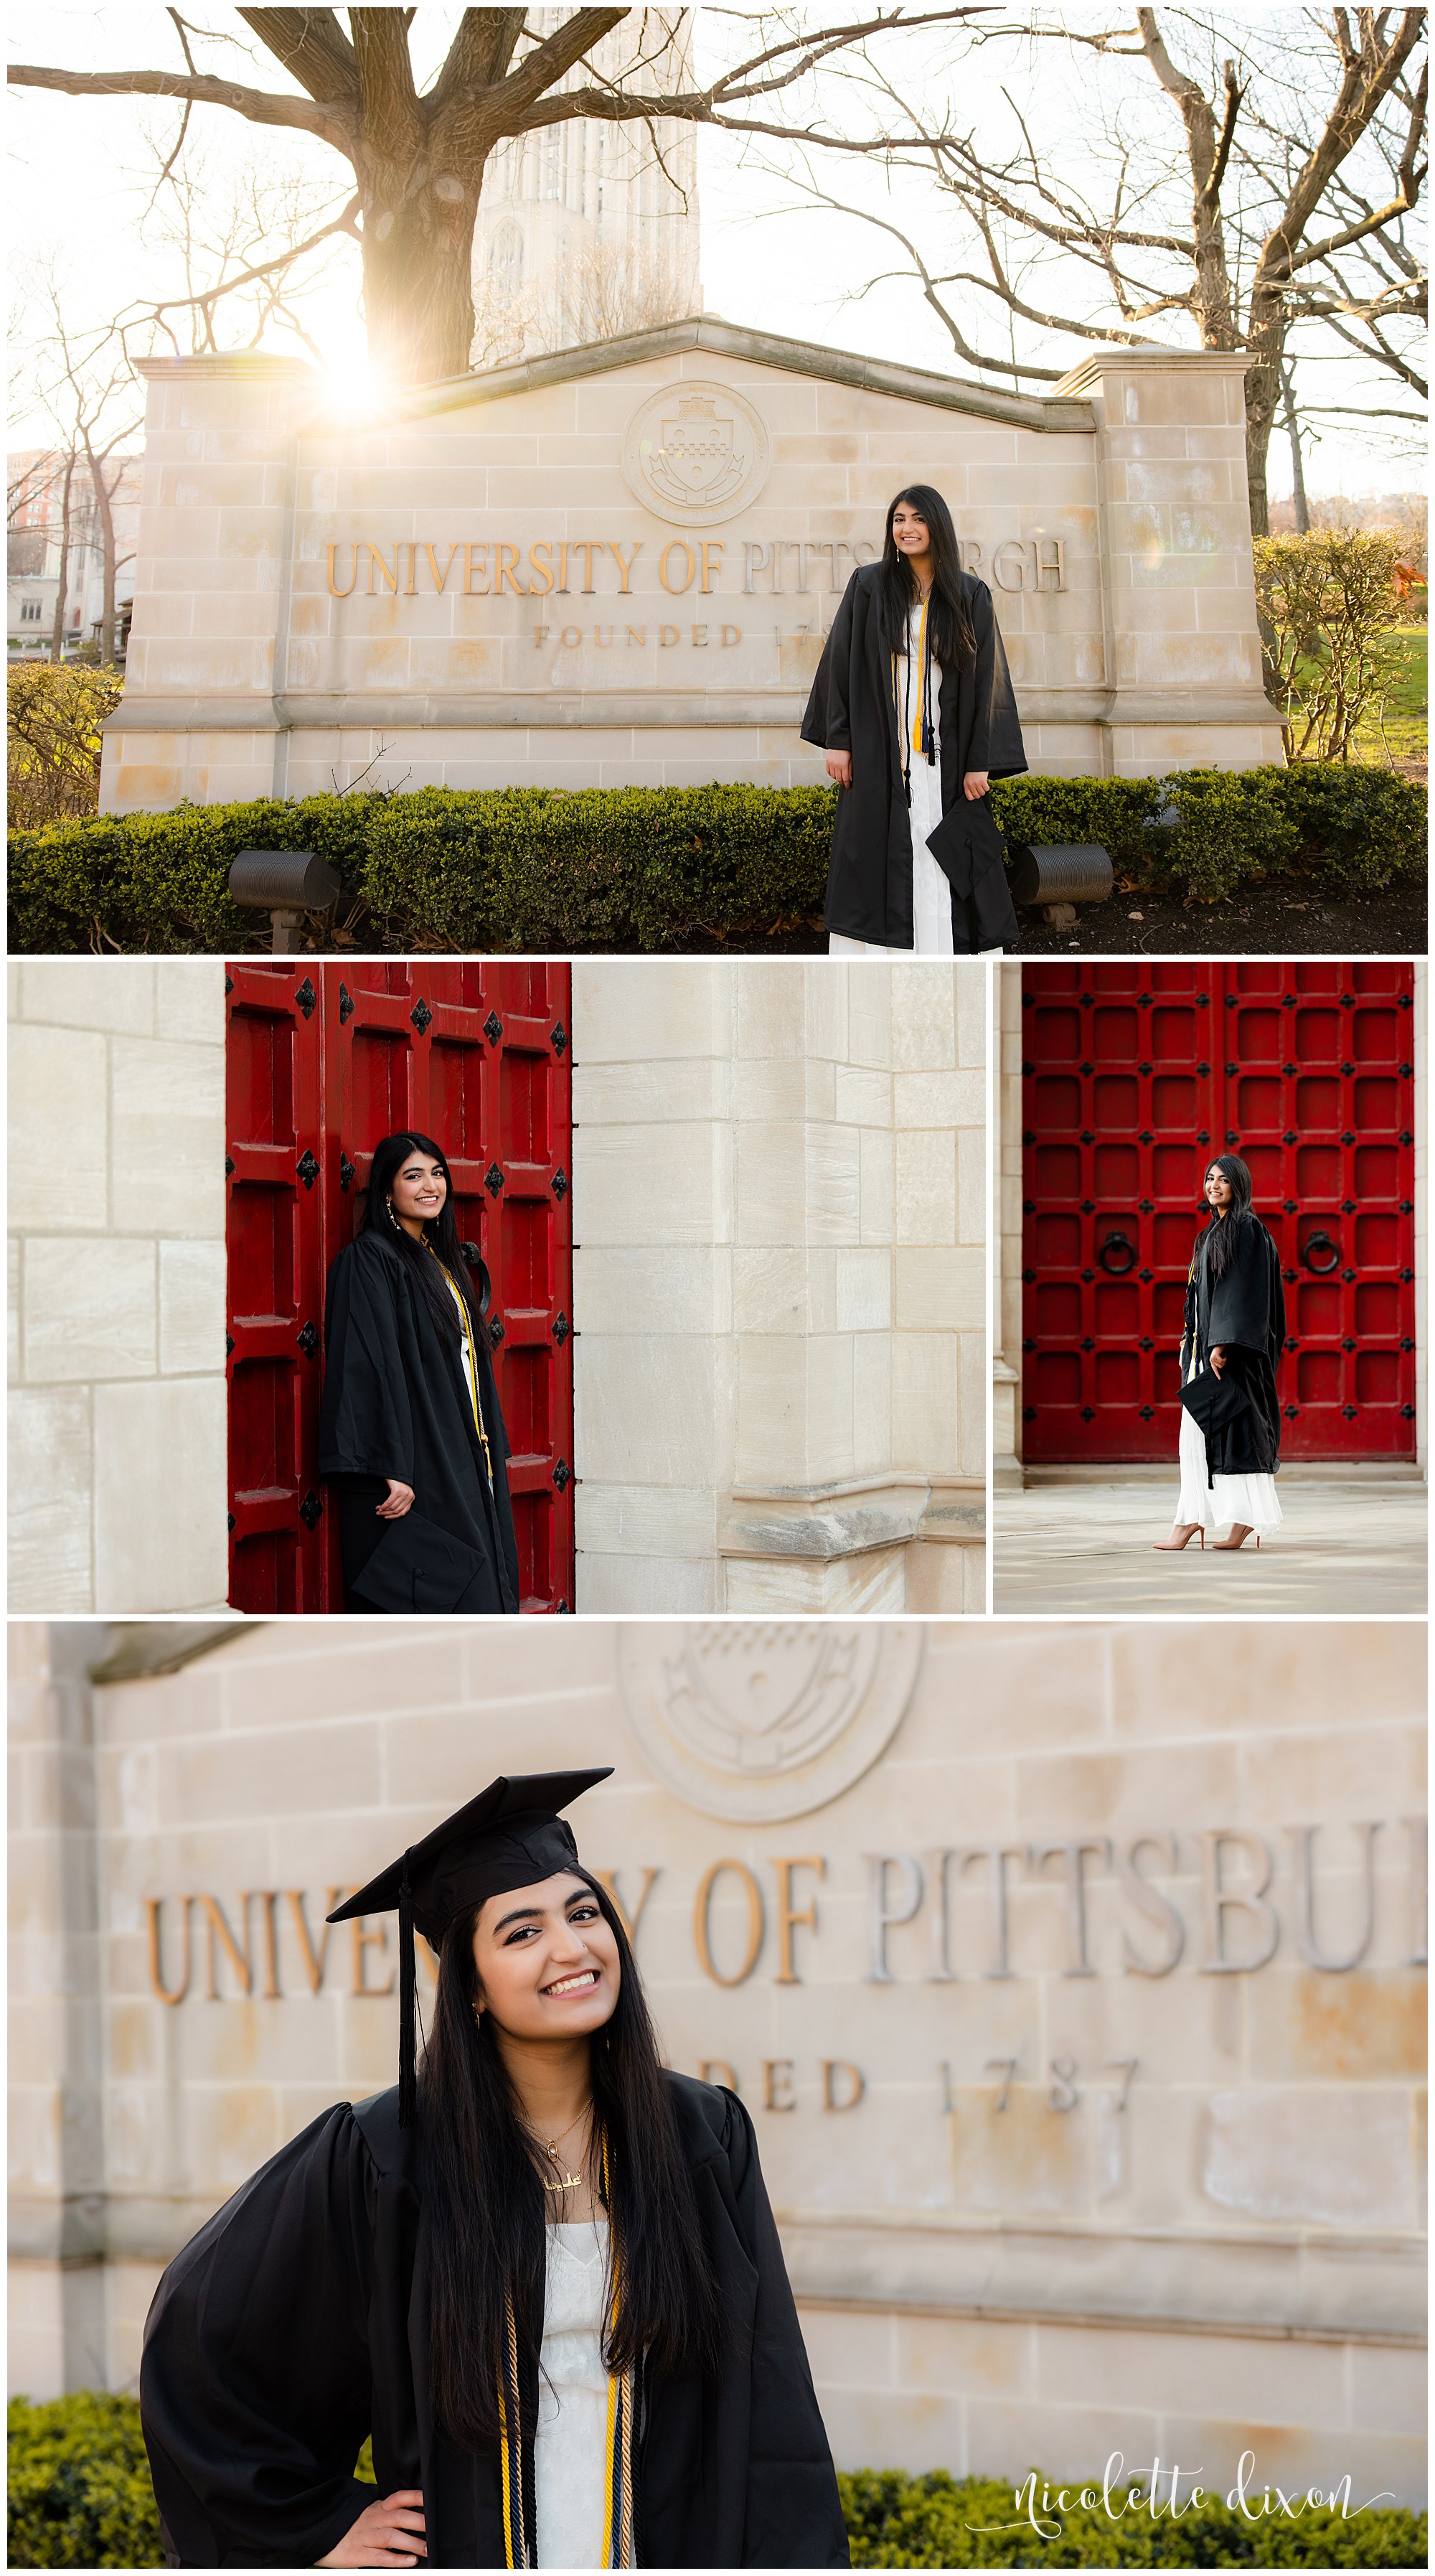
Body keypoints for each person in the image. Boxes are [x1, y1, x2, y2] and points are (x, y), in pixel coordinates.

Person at [138, 1770, 850, 2571]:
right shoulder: (386, 2155)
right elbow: (200, 2348)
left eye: (583, 1913)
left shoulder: (698, 2136)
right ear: (469, 1987)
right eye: (521, 1932)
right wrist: (317, 2526)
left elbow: (771, 2398)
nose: (570, 1947)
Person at [801, 484, 1027, 955]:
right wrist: (837, 740)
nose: (907, 528)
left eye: (918, 519)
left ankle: (942, 954)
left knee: (944, 852)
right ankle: (881, 959)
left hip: (944, 759)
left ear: (937, 526)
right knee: (874, 856)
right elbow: (839, 663)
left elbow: (989, 682)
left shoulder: (968, 594)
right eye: (899, 519)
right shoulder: (868, 587)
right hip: (879, 753)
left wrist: (979, 761)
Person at [318, 1131, 520, 1615]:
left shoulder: (438, 1260)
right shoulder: (371, 1260)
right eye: (413, 1175)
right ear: (387, 1191)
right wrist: (392, 1465)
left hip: (463, 1452)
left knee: (484, 1582)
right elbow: (368, 1363)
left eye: (437, 1173)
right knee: (447, 1594)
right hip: (419, 1461)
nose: (430, 1185)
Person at [1154, 1155, 1286, 1554]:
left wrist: (1222, 1342)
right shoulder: (1214, 1230)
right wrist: (1194, 1337)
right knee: (1195, 1437)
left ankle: (1218, 1519)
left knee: (1230, 1434)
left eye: (1223, 1180)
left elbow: (1241, 1291)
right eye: (1210, 1179)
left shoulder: (1246, 1228)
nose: (1214, 1186)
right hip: (1206, 1349)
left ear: (1238, 1185)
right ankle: (1195, 1516)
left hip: (1229, 1354)